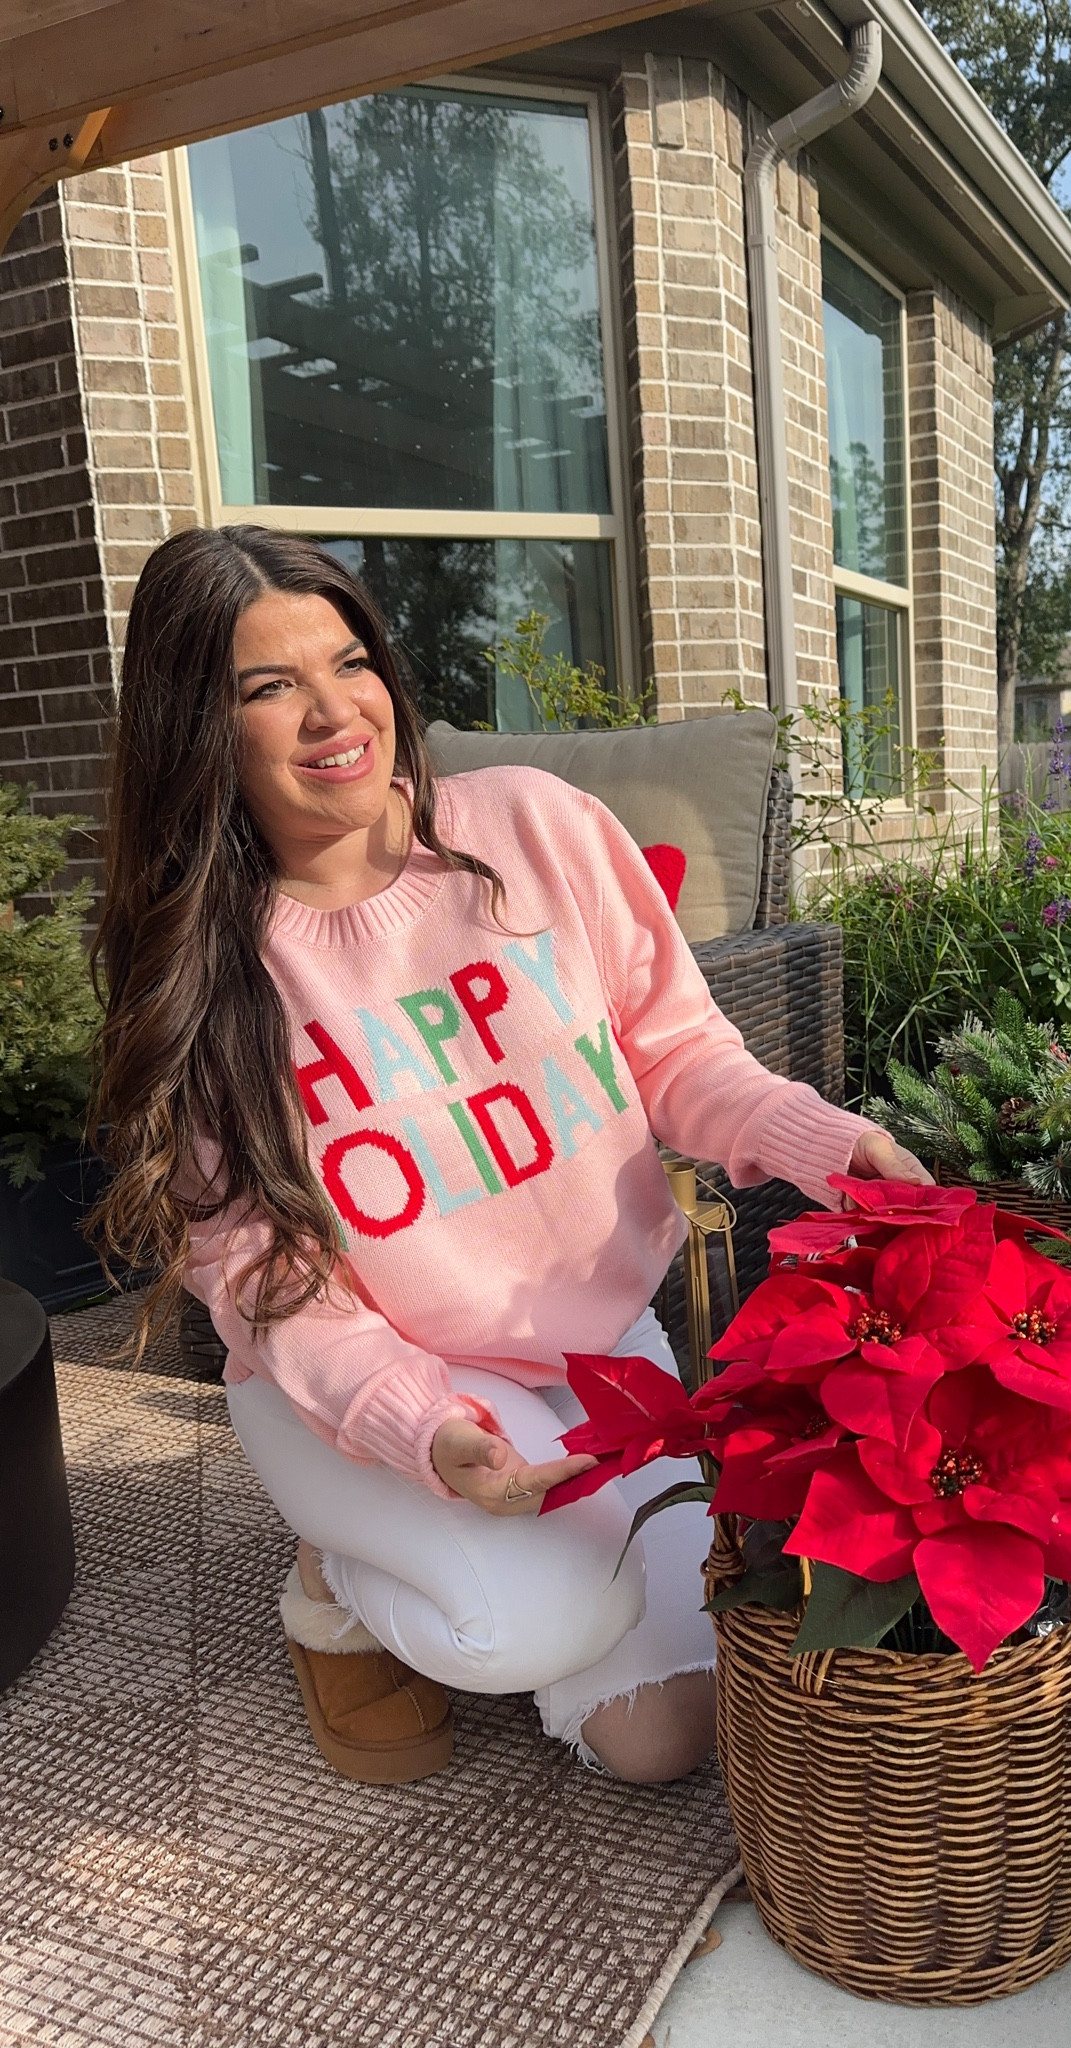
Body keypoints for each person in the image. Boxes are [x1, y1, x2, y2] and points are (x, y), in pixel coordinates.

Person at [87, 526, 929, 1788]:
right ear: (199, 731)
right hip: (356, 1384)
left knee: (671, 1739)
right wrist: (426, 1428)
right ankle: (332, 1584)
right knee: (527, 1624)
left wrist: (825, 1141)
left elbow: (678, 1053)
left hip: (598, 1353)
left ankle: (487, 1569)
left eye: (349, 660)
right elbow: (267, 1277)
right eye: (269, 688)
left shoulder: (535, 830)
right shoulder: (208, 973)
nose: (333, 712)